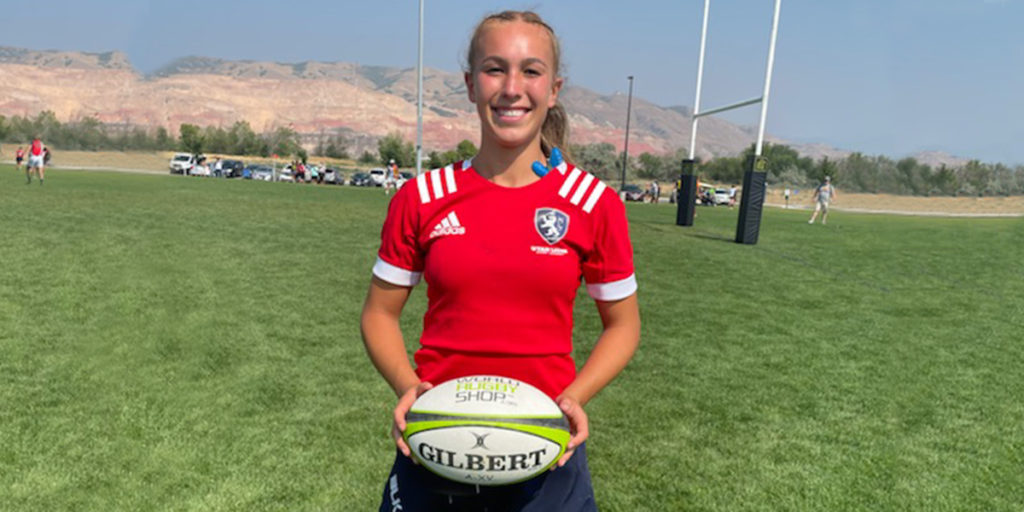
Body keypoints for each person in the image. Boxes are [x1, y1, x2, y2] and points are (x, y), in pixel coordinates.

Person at [362, 10, 640, 511]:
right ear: (470, 85)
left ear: (553, 89)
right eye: (495, 69)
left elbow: (623, 325)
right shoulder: (423, 197)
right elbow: (379, 313)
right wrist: (409, 388)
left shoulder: (593, 203)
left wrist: (575, 397)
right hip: (434, 446)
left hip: (546, 453)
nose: (512, 87)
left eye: (531, 71)